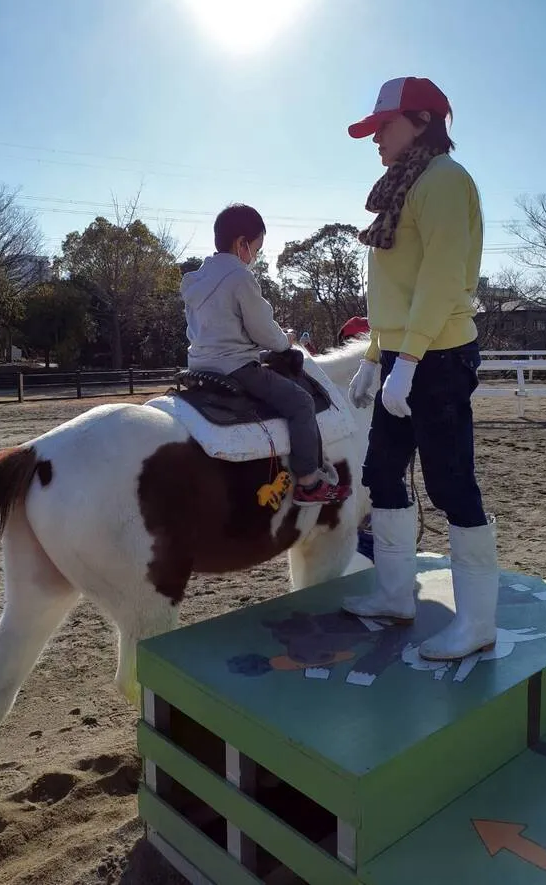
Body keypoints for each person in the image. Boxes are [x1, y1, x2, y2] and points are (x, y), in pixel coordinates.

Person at [340, 76, 498, 662]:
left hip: (439, 356)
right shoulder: (405, 186)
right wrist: (377, 357)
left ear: (424, 120)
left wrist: (406, 360)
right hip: (404, 358)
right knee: (382, 472)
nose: (376, 138)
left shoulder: (446, 182)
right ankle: (393, 594)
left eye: (385, 126)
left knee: (451, 482)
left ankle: (477, 621)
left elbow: (440, 280)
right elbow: (397, 289)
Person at [180, 203, 351, 506]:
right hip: (235, 366)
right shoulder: (240, 278)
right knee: (301, 402)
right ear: (242, 244)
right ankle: (309, 483)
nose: (255, 257)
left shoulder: (195, 279)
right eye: (256, 249)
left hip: (198, 364)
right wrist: (285, 340)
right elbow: (263, 332)